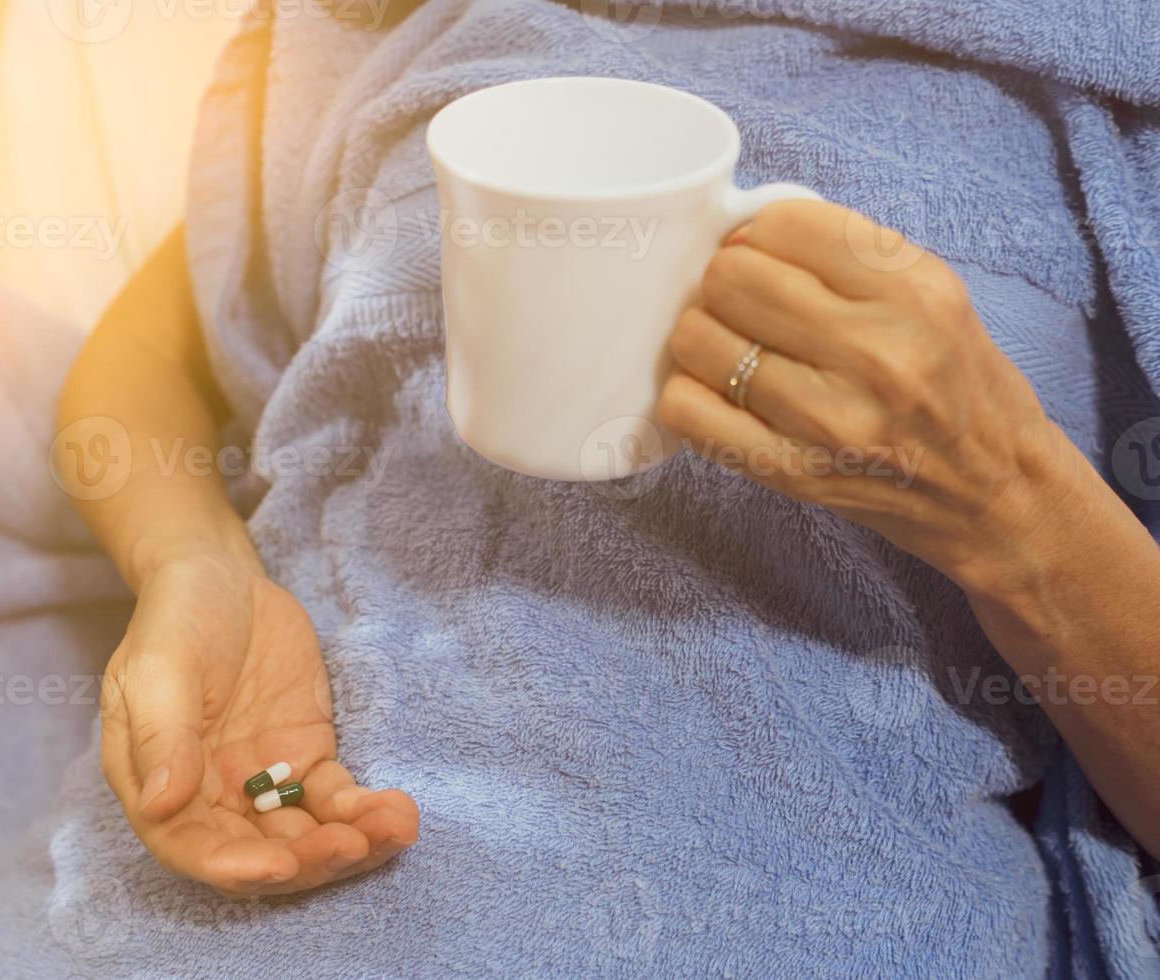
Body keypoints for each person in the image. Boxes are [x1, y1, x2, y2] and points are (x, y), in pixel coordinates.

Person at [57, 197, 1160, 895]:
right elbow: (149, 351)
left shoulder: (1086, 64)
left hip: (795, 884)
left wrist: (1015, 504)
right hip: (296, 769)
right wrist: (196, 562)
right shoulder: (365, 33)